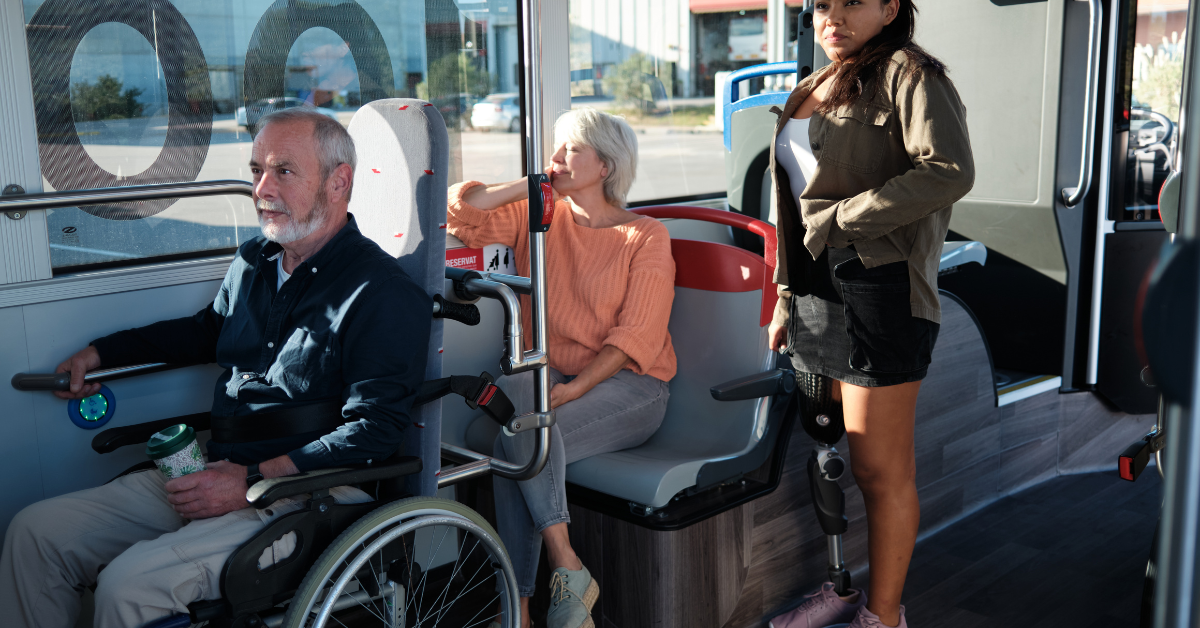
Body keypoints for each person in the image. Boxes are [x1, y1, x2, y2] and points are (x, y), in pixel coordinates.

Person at [0, 108, 432, 628]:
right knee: (36, 533)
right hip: (218, 466)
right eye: (256, 171)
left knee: (126, 587)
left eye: (283, 171)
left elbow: (375, 430)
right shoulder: (256, 261)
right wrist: (101, 353)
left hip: (306, 493)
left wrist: (251, 477)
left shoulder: (380, 293)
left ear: (339, 182)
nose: (262, 188)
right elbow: (209, 332)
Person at [765, 2, 974, 628]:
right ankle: (842, 586)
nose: (832, 16)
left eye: (851, 1)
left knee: (879, 470)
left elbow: (949, 171)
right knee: (831, 442)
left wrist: (845, 219)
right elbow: (790, 200)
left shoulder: (913, 75)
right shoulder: (813, 83)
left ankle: (883, 617)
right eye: (822, 4)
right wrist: (782, 295)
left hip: (879, 291)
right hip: (811, 292)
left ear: (889, 8)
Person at [447, 107, 676, 628]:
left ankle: (521, 603)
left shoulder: (645, 236)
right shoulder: (541, 218)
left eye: (570, 149)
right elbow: (463, 211)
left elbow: (633, 338)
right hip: (549, 376)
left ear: (606, 167)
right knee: (519, 412)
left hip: (631, 386)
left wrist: (574, 392)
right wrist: (529, 186)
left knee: (522, 434)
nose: (555, 159)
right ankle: (562, 568)